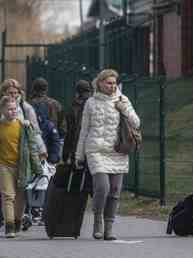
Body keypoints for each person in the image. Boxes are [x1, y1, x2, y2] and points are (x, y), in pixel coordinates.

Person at [75, 69, 140, 240]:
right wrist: (79, 155)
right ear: (100, 83)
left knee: (115, 190)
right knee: (102, 187)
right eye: (108, 83)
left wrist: (124, 109)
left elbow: (136, 122)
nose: (112, 86)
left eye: (114, 83)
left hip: (118, 150)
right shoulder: (91, 103)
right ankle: (98, 221)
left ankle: (109, 227)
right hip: (96, 150)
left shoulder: (123, 100)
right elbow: (84, 130)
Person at [0, 96, 42, 238]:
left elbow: (32, 148)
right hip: (4, 166)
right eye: (10, 109)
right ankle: (9, 227)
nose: (13, 111)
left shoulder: (24, 126)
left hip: (22, 167)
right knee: (8, 196)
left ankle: (18, 222)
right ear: (2, 110)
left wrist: (38, 168)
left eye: (15, 109)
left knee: (20, 198)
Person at [0, 78, 47, 157]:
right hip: (2, 150)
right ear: (4, 93)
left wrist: (41, 149)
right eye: (10, 93)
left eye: (16, 93)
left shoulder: (26, 108)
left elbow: (35, 131)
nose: (13, 95)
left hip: (22, 149)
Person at [62, 80, 93, 163]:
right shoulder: (95, 105)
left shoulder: (72, 108)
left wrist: (66, 152)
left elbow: (70, 132)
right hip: (93, 148)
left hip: (76, 147)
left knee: (77, 173)